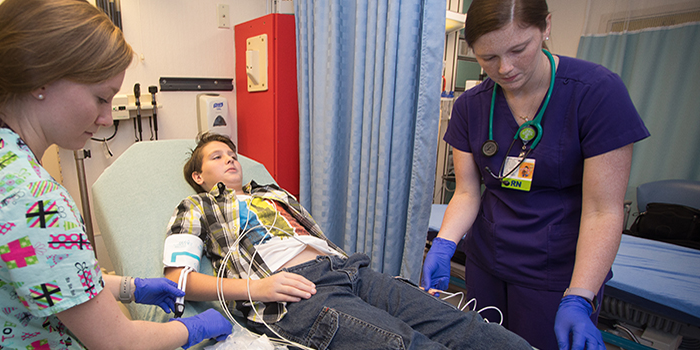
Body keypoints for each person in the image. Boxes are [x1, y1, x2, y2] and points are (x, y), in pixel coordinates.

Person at [0, 0, 230, 349]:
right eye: (101, 98)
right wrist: (198, 326)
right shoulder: (30, 195)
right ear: (41, 80)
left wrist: (132, 288)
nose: (107, 118)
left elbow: (36, 274)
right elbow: (119, 342)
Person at [161, 132, 532, 350]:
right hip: (298, 293)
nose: (230, 159)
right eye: (216, 156)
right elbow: (177, 281)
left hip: (349, 269)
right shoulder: (198, 206)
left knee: (462, 325)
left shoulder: (273, 193)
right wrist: (257, 288)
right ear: (198, 175)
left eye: (232, 154)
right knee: (409, 344)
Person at [419, 1, 650, 350]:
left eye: (518, 49)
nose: (505, 67)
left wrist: (579, 296)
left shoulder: (596, 93)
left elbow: (604, 210)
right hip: (489, 263)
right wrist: (444, 243)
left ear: (546, 28)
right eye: (488, 57)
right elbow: (468, 192)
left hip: (560, 275)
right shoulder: (471, 106)